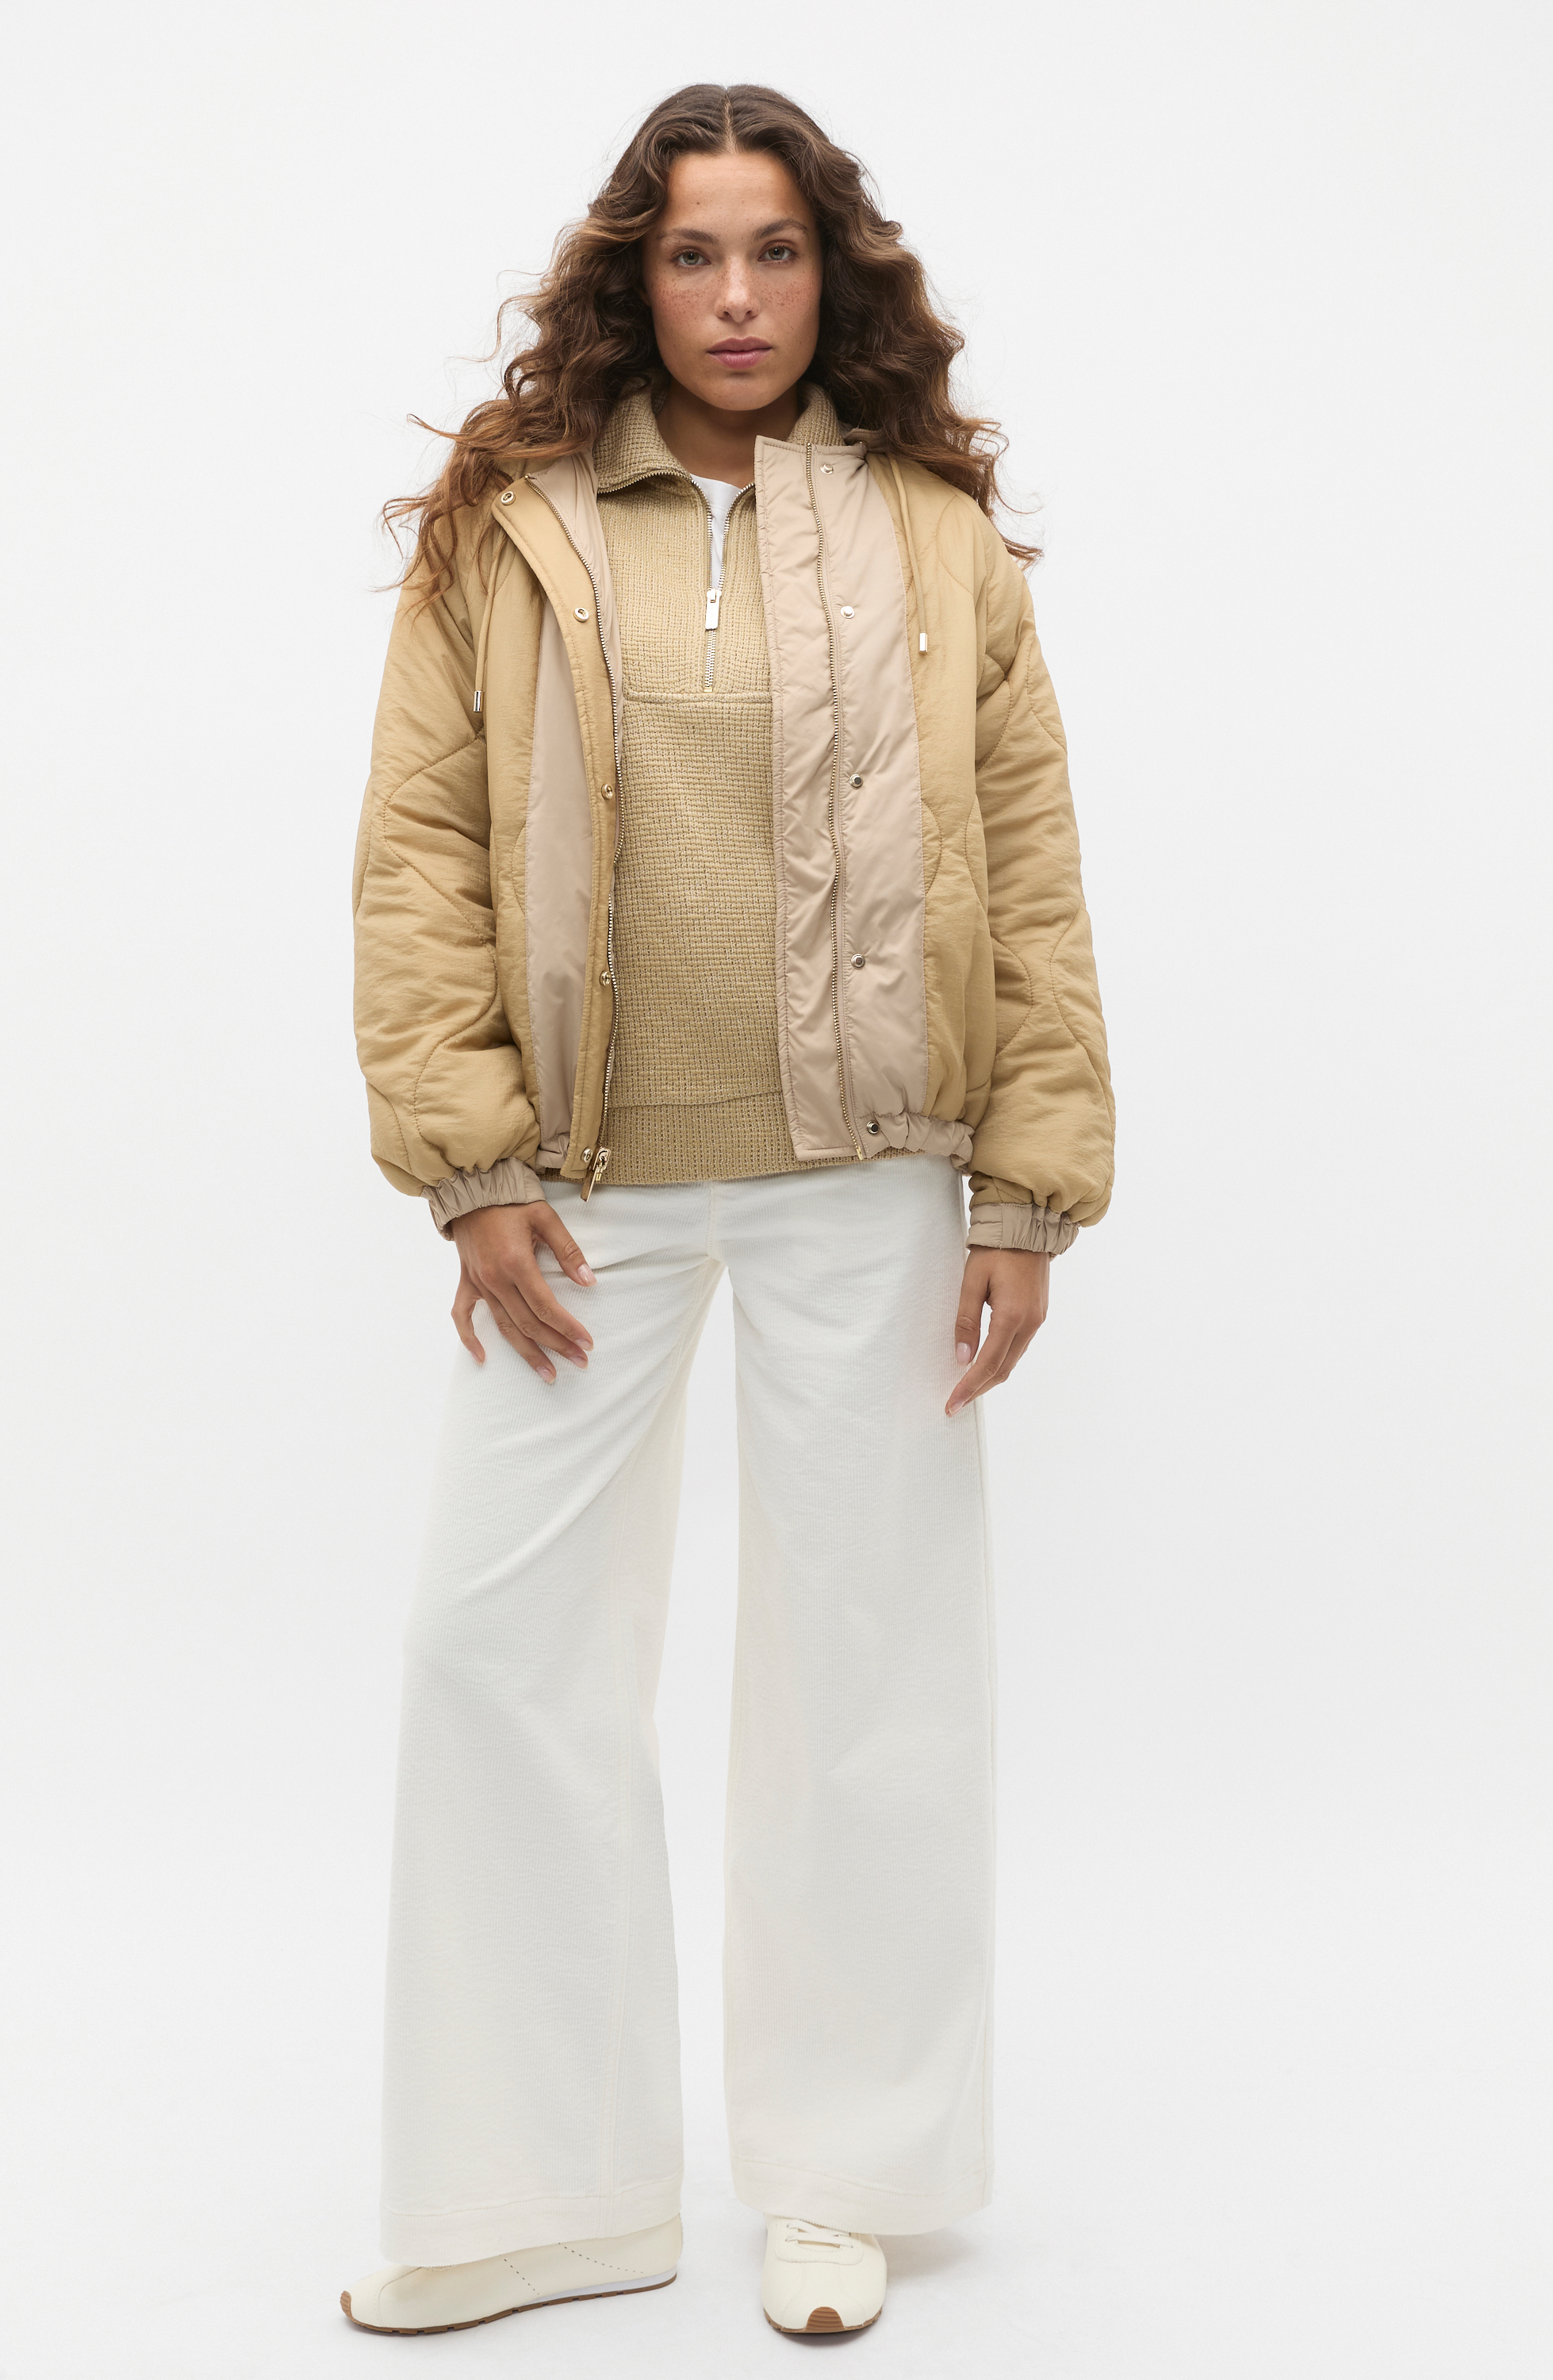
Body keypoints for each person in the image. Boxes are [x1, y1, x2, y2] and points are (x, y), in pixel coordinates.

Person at [343, 81, 1114, 2342]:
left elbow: (1030, 864)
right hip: (581, 1195)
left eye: (776, 249)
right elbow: (420, 852)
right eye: (696, 252)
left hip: (873, 1181)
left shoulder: (933, 537)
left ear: (829, 271)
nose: (740, 295)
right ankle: (537, 2190)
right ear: (636, 275)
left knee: (868, 1678)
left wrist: (1027, 1186)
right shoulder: (511, 529)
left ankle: (846, 2172)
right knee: (494, 1652)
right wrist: (471, 1165)